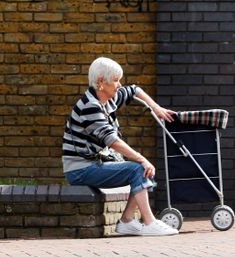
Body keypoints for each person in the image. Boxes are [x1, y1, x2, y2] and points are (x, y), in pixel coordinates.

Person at [62, 57, 178, 236]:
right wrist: (142, 158)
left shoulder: (109, 99)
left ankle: (127, 221)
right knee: (138, 169)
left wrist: (155, 107)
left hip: (94, 165)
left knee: (141, 169)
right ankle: (149, 222)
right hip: (80, 170)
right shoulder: (90, 107)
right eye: (116, 80)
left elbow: (134, 90)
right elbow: (112, 140)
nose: (119, 85)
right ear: (101, 82)